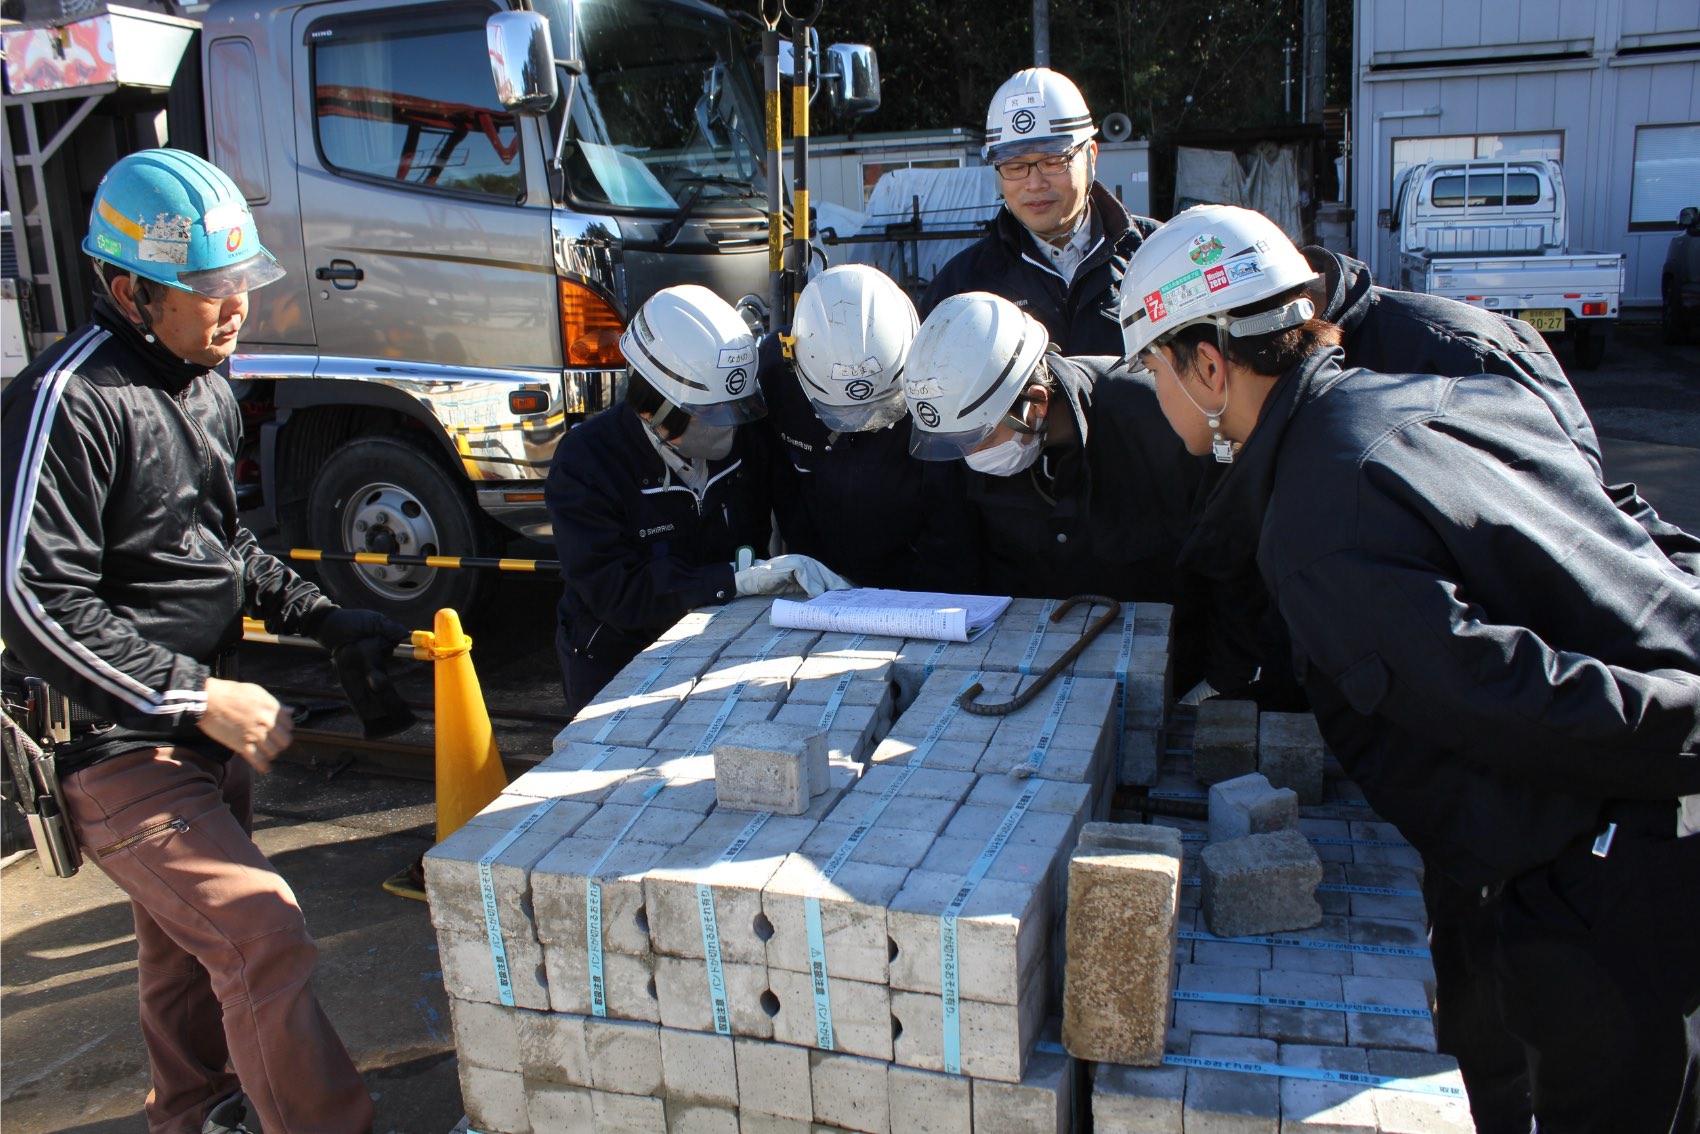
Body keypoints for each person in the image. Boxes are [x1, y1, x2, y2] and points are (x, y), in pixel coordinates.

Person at [1121, 203, 1700, 1133]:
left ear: (1210, 363)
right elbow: (1620, 524)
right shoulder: (1409, 396)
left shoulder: (1317, 524)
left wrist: (1690, 722)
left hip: (1605, 865)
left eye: (1153, 369)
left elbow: (1511, 699)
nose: (1153, 397)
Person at [0, 149, 407, 1134]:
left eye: (239, 285)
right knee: (261, 931)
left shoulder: (208, 386)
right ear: (129, 289)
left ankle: (197, 1113)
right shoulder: (69, 402)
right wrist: (194, 695)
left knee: (189, 958)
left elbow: (219, 545)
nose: (236, 309)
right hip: (110, 746)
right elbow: (29, 593)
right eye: (207, 290)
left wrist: (318, 616)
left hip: (196, 735)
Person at [904, 291, 1239, 695]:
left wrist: (1222, 679)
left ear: (1036, 404)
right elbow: (957, 564)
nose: (969, 454)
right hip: (1032, 675)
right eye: (958, 443)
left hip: (1171, 673)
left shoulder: (1158, 417)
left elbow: (1234, 561)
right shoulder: (971, 427)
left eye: (980, 438)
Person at [546, 284, 849, 715]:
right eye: (714, 414)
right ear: (655, 409)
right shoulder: (588, 462)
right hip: (617, 658)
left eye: (738, 409)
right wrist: (731, 580)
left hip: (723, 646)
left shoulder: (748, 443)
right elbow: (617, 593)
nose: (731, 427)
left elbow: (787, 515)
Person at [920, 67, 1158, 355]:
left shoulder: (1157, 254)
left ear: (1091, 156)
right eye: (1015, 166)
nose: (1034, 183)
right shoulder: (960, 288)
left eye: (1054, 160)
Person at [756, 264, 925, 589]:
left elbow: (947, 500)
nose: (860, 424)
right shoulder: (776, 377)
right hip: (822, 574)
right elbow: (779, 480)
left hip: (914, 573)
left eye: (879, 408)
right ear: (798, 366)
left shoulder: (929, 372)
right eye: (842, 412)